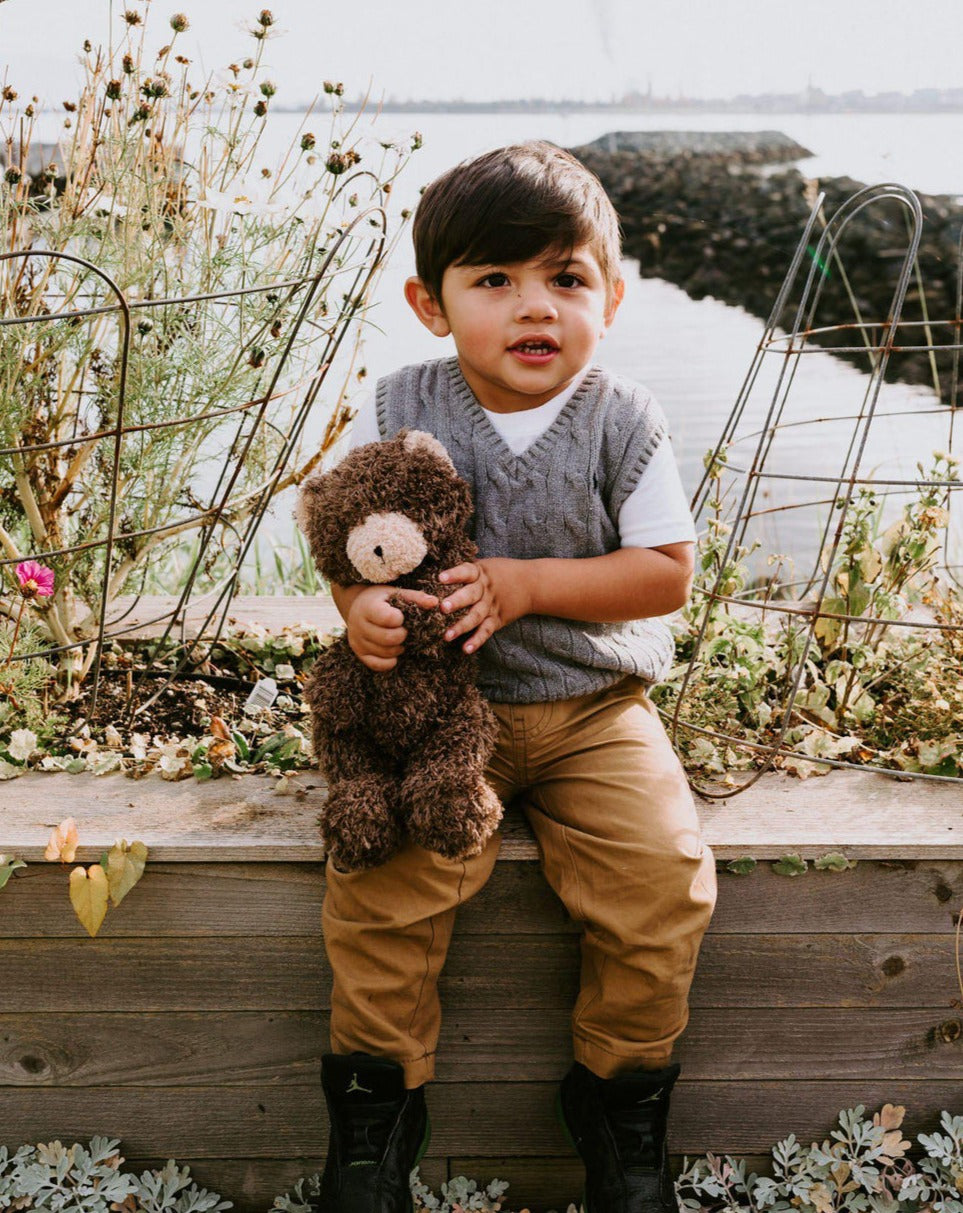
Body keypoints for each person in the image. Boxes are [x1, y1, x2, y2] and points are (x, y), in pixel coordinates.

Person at [316, 140, 718, 1213]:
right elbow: (358, 546)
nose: (534, 307)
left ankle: (620, 1105)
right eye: (495, 280)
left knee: (663, 881)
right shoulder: (401, 403)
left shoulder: (622, 417)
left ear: (612, 298)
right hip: (439, 714)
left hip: (594, 710)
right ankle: (374, 1117)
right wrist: (360, 614)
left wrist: (531, 581)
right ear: (431, 302)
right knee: (385, 889)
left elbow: (667, 575)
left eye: (565, 278)